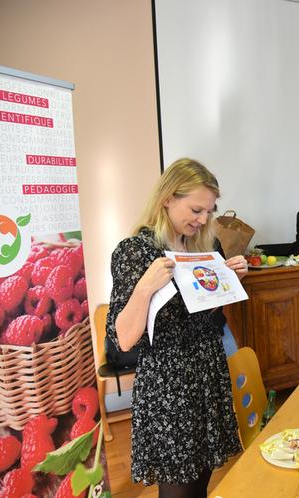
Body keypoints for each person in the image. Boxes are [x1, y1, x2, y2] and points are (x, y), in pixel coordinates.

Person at [106, 158, 247, 498]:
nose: (202, 220)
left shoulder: (205, 247)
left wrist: (229, 280)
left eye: (209, 212)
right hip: (170, 388)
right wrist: (144, 287)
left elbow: (203, 314)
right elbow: (124, 338)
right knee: (178, 492)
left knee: (201, 484)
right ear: (168, 198)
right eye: (196, 209)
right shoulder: (135, 252)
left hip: (208, 374)